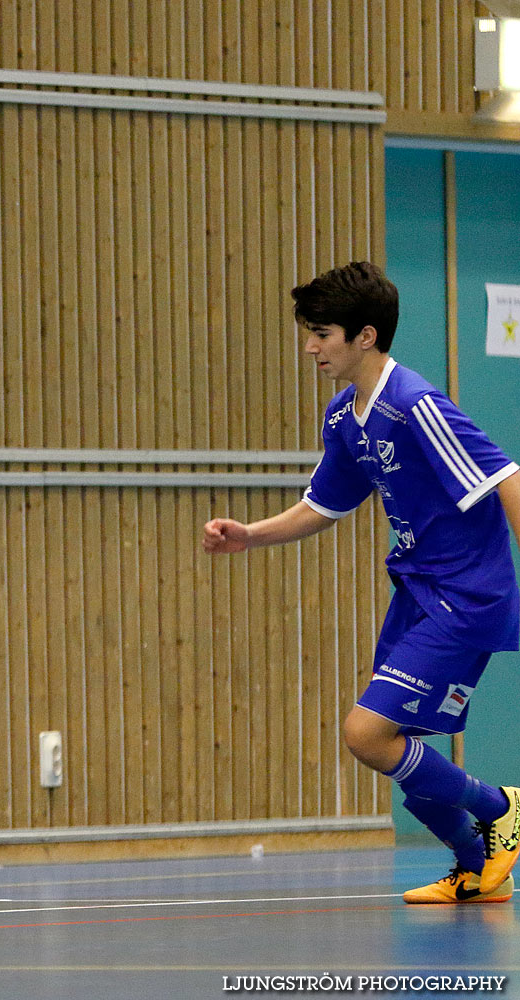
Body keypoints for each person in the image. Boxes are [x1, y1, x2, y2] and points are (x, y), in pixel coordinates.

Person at [202, 261, 520, 904]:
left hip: (467, 597)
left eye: (322, 333)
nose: (310, 346)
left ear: (366, 336)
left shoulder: (416, 407)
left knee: (366, 733)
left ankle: (500, 807)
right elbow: (325, 504)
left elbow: (507, 478)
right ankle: (473, 869)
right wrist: (251, 535)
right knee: (394, 745)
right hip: (418, 594)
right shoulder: (346, 416)